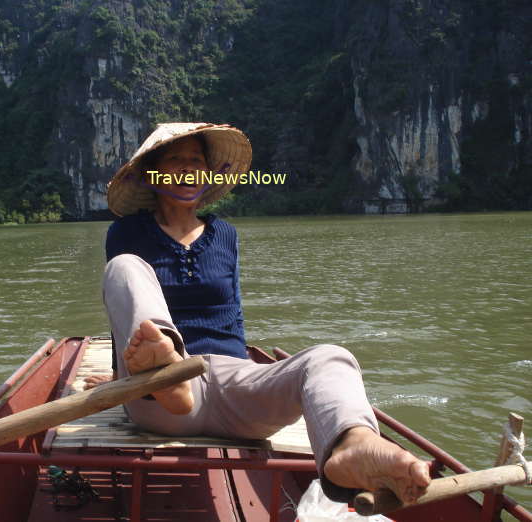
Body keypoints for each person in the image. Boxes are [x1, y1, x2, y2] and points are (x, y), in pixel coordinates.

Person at [97, 122, 430, 504]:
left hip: (231, 381)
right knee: (124, 267)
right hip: (160, 399)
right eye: (175, 159)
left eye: (197, 160)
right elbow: (124, 309)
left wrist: (248, 375)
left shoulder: (225, 235)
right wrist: (118, 376)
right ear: (151, 175)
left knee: (330, 358)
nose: (188, 167)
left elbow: (232, 312)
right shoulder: (125, 232)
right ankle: (165, 370)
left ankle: (353, 444)